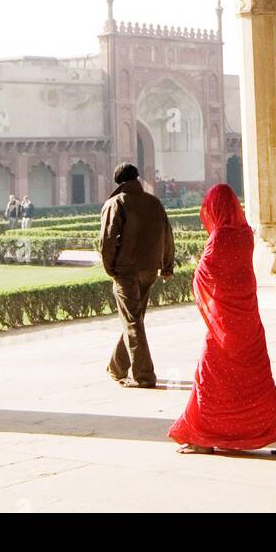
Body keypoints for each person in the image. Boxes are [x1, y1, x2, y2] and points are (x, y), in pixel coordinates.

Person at [169, 184, 276, 456]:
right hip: (248, 321)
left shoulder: (219, 238)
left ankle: (203, 438)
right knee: (259, 382)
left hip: (225, 327)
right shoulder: (246, 235)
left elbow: (204, 274)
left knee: (208, 377)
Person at [100, 162, 175, 388]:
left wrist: (110, 268)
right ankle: (117, 367)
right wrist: (167, 265)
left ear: (118, 182)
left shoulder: (116, 203)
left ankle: (144, 376)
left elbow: (108, 240)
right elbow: (167, 234)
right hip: (150, 268)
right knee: (135, 320)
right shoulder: (154, 202)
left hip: (126, 270)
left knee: (132, 321)